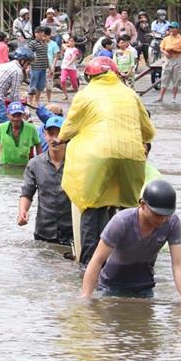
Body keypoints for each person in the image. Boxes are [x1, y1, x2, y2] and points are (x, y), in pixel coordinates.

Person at [55, 57, 156, 265]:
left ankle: (88, 266)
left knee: (92, 207)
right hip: (131, 158)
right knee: (129, 210)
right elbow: (148, 131)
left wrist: (60, 139)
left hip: (96, 159)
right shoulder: (131, 94)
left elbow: (68, 129)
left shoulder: (86, 94)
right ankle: (130, 262)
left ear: (90, 76)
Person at [80, 180, 181, 302]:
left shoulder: (172, 223)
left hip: (144, 286)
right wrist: (86, 297)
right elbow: (97, 260)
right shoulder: (122, 221)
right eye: (157, 215)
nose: (162, 220)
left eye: (167, 215)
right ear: (143, 205)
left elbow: (178, 263)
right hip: (111, 286)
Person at [18, 116, 73, 246]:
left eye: (59, 134)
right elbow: (27, 192)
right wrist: (22, 211)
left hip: (71, 233)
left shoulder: (77, 163)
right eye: (50, 134)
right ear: (44, 134)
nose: (54, 139)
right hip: (43, 232)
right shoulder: (35, 164)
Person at [0, 47, 34, 160]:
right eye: (28, 63)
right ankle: (4, 158)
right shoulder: (17, 71)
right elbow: (14, 97)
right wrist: (25, 111)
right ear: (22, 61)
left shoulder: (3, 66)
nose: (28, 67)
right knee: (7, 129)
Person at [0, 101, 41, 166]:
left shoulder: (31, 128)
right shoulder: (2, 127)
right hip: (5, 166)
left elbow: (38, 144)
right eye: (13, 115)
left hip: (23, 166)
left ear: (23, 115)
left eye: (19, 115)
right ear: (8, 115)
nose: (16, 119)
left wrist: (40, 161)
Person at [156, 22, 181, 103]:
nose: (171, 29)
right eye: (170, 28)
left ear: (177, 29)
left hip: (176, 59)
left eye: (173, 28)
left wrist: (175, 50)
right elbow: (161, 48)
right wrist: (165, 52)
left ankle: (174, 97)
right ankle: (161, 96)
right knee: (164, 77)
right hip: (167, 60)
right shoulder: (166, 38)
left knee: (176, 79)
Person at [27, 26, 52, 106]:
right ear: (35, 34)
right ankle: (30, 101)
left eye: (42, 32)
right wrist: (28, 66)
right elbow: (28, 55)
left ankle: (36, 101)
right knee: (33, 85)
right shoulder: (32, 43)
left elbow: (46, 56)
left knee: (40, 86)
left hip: (43, 68)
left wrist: (50, 67)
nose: (41, 34)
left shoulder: (45, 44)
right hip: (35, 67)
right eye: (39, 32)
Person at [46, 32, 61, 104]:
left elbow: (56, 56)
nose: (44, 38)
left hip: (50, 66)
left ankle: (48, 100)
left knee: (49, 84)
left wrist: (53, 66)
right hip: (41, 65)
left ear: (49, 36)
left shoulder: (54, 44)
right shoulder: (40, 43)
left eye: (45, 36)